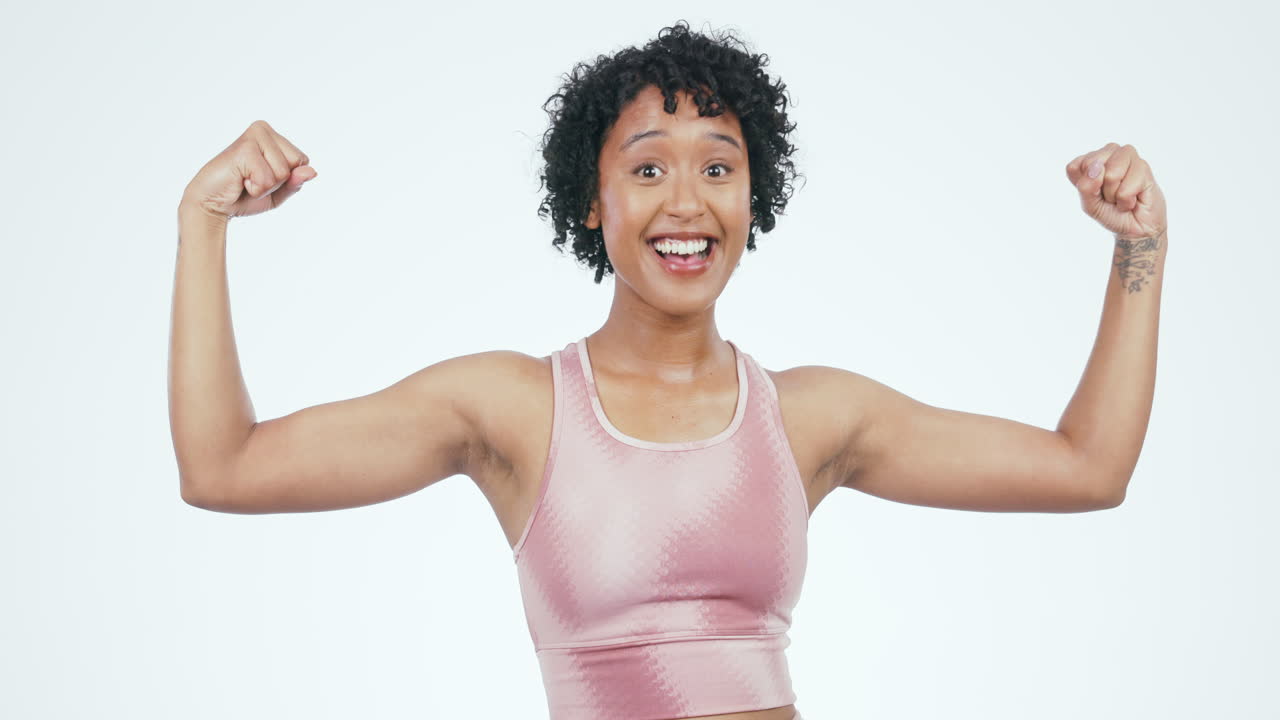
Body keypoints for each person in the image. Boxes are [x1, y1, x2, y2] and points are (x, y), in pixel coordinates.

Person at [168, 20, 1167, 720]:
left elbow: (1086, 468)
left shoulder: (812, 418)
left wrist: (1140, 247)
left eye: (717, 167)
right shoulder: (512, 408)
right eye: (647, 167)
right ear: (591, 200)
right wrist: (202, 221)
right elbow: (225, 467)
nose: (685, 202)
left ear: (751, 198)